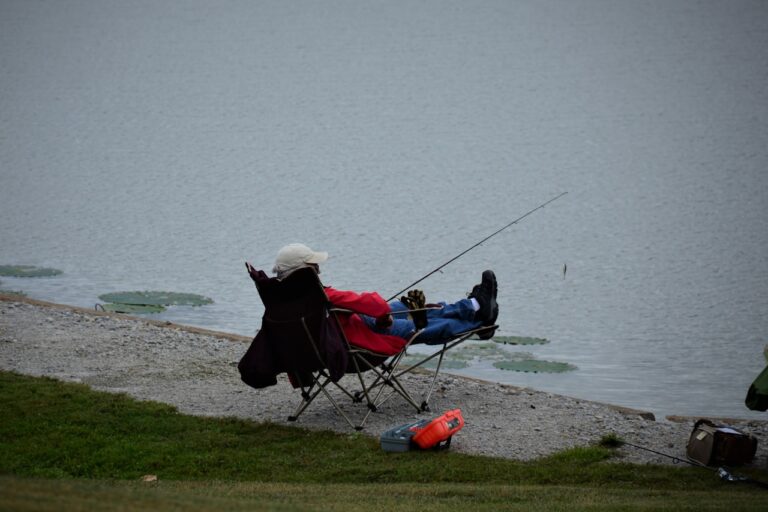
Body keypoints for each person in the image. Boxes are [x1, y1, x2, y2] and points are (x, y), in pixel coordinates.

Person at [271, 243, 499, 350]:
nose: (319, 270)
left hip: (340, 332)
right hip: (359, 338)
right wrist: (383, 318)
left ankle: (474, 304)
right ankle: (481, 319)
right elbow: (373, 304)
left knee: (409, 308)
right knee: (422, 326)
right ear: (304, 271)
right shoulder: (324, 296)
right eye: (314, 267)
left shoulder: (280, 300)